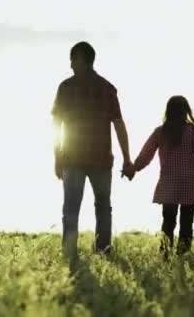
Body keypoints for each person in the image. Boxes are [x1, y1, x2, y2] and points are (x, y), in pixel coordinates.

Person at [51, 41, 133, 273]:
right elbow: (119, 125)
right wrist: (126, 159)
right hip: (99, 159)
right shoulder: (107, 88)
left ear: (84, 59)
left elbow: (57, 125)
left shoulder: (66, 87)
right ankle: (103, 252)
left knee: (71, 209)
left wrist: (57, 157)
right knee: (103, 208)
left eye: (73, 58)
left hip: (74, 158)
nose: (70, 63)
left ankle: (70, 256)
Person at [129, 96, 194, 256]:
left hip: (168, 185)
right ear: (186, 110)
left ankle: (165, 257)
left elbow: (145, 155)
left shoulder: (161, 132)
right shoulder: (192, 131)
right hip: (189, 185)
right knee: (186, 225)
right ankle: (182, 260)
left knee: (168, 224)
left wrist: (133, 169)